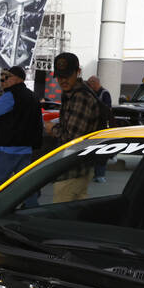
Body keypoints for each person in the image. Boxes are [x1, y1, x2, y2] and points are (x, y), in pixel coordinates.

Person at [47, 52, 106, 202]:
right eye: (60, 76)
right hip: (79, 168)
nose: (63, 80)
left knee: (59, 219)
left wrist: (51, 129)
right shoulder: (72, 94)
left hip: (72, 170)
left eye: (67, 75)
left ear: (78, 72)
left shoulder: (80, 97)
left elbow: (72, 138)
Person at [85, 75, 111, 181]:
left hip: (101, 128)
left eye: (90, 84)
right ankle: (95, 174)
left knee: (101, 152)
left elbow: (107, 110)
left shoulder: (104, 93)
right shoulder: (92, 93)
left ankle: (100, 175)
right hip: (92, 127)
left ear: (95, 83)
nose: (89, 86)